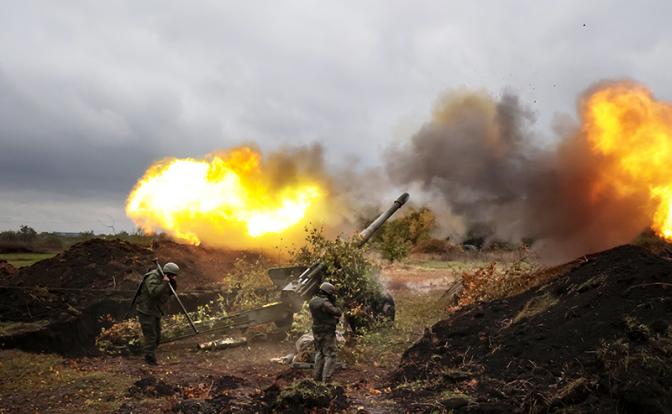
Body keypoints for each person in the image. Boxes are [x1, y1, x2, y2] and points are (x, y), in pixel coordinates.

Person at [135, 262, 179, 365]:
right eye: (172, 275)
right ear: (167, 273)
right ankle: (149, 359)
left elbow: (170, 292)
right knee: (151, 336)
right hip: (146, 310)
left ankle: (149, 353)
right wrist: (164, 283)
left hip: (155, 310)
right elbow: (154, 293)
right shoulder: (153, 277)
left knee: (157, 336)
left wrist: (172, 282)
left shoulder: (165, 278)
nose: (174, 277)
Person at [308, 281, 342, 382]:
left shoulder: (313, 301)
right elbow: (337, 312)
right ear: (328, 292)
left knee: (320, 353)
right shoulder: (326, 303)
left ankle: (316, 377)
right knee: (331, 354)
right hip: (326, 331)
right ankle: (326, 379)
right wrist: (336, 304)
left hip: (316, 330)